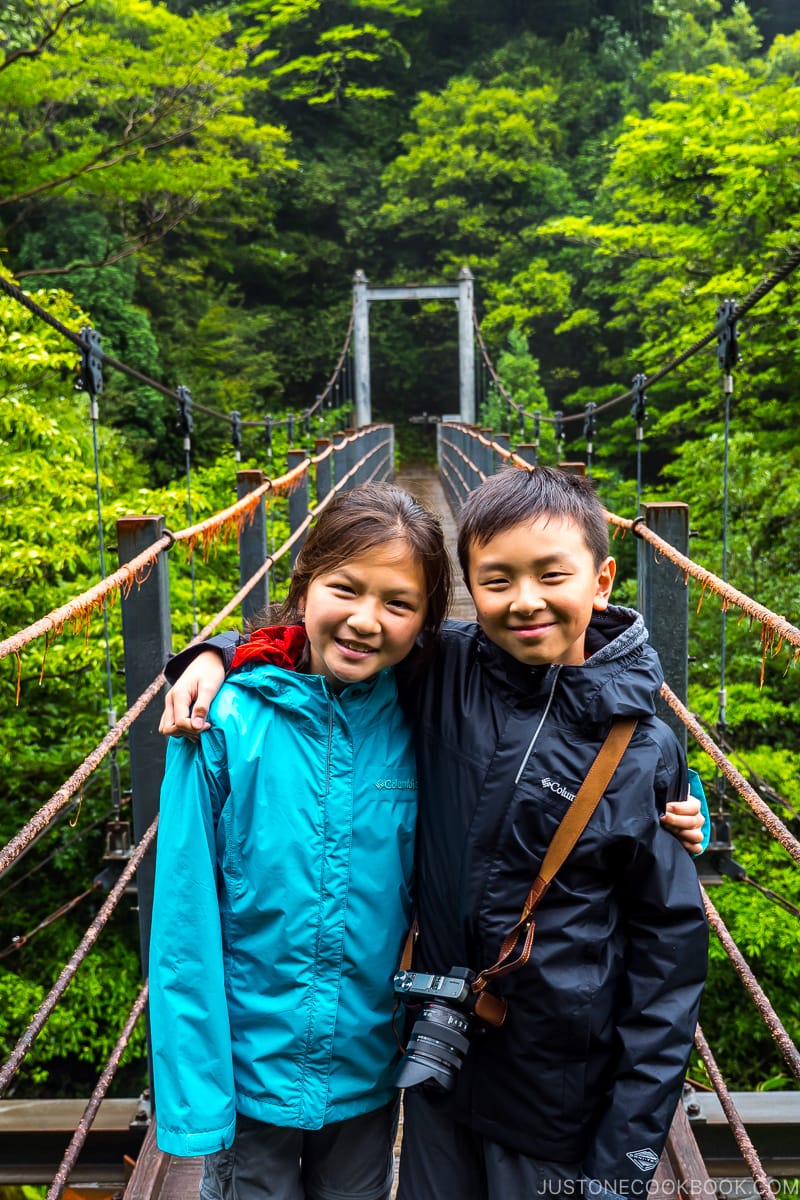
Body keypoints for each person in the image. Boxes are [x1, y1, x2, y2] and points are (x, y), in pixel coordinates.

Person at [160, 468, 710, 1200]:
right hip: (417, 1075)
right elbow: (315, 663)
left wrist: (684, 795)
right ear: (466, 596)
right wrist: (213, 652)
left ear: (602, 579)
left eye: (552, 575)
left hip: (541, 1090)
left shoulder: (630, 746)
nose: (525, 600)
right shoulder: (436, 673)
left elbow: (661, 941)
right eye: (496, 580)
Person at [148, 483, 452, 1200]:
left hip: (369, 1069)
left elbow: (555, 722)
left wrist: (678, 798)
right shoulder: (218, 721)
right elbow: (183, 923)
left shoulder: (430, 716)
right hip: (250, 1076)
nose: (365, 620)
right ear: (304, 584)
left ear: (428, 622)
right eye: (344, 588)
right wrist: (196, 1110)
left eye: (398, 603)